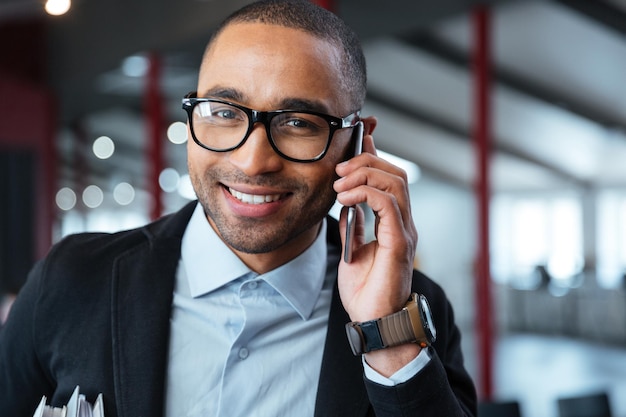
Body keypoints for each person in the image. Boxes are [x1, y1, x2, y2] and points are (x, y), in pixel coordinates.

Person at [0, 1, 477, 416]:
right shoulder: (72, 280)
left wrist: (385, 335)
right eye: (225, 114)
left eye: (298, 122)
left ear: (356, 141)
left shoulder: (412, 311)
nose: (254, 160)